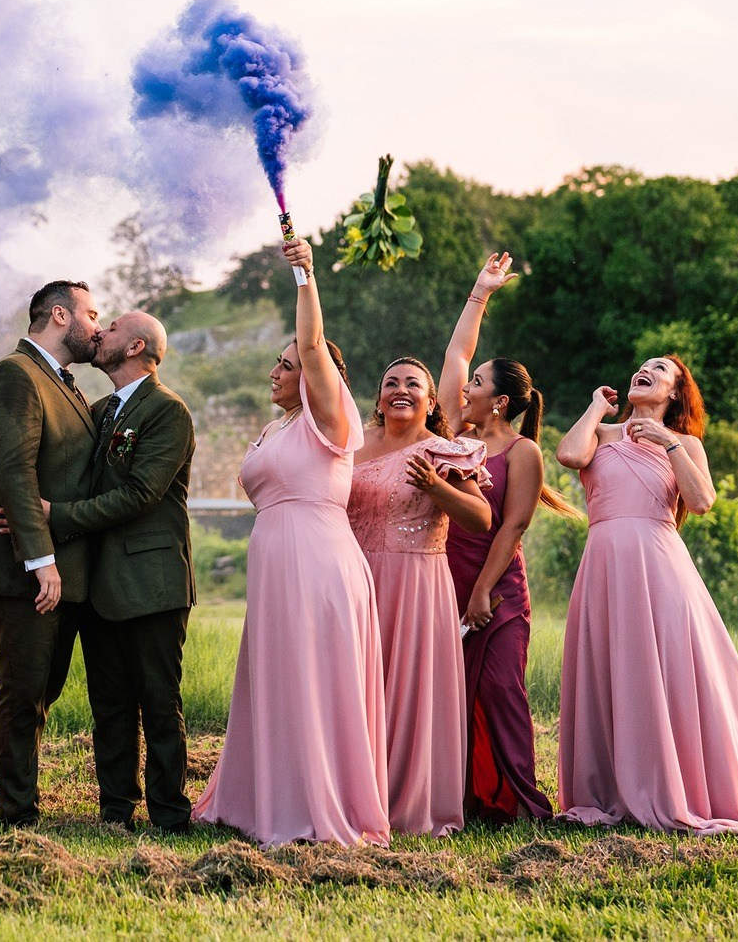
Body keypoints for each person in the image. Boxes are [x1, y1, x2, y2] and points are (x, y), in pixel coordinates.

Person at [554, 356, 738, 834]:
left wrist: (670, 443)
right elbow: (568, 456)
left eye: (658, 369)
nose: (643, 369)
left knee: (671, 672)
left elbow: (701, 502)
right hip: (602, 568)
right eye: (640, 365)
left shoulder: (688, 444)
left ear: (675, 393)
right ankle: (612, 790)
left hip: (660, 569)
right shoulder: (601, 435)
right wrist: (596, 408)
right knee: (611, 670)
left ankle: (680, 787)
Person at [192, 236, 390, 846]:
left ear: (314, 374)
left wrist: (306, 278)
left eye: (286, 363)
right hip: (275, 563)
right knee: (278, 675)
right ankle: (267, 796)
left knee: (314, 674)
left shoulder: (327, 421)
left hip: (317, 559)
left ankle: (317, 804)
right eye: (278, 363)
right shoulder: (275, 427)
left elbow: (310, 343)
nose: (276, 370)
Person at [2, 311, 198, 834]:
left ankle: (171, 814)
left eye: (109, 327)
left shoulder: (167, 411)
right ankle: (116, 809)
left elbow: (139, 494)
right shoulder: (99, 410)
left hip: (152, 582)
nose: (99, 333)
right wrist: (14, 508)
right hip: (100, 585)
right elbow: (66, 476)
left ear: (134, 346)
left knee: (159, 700)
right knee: (109, 703)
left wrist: (52, 515)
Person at [436, 251, 582, 822]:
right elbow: (456, 353)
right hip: (442, 579)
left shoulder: (523, 452)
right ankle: (463, 798)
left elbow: (514, 526)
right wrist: (481, 292)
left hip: (498, 591)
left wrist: (481, 592)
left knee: (499, 691)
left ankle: (521, 800)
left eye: (477, 384)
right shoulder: (451, 432)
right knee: (451, 697)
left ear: (498, 401)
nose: (466, 386)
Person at [0, 279, 102, 827]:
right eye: (92, 313)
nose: (98, 325)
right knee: (22, 693)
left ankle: (21, 803)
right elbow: (13, 469)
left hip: (54, 568)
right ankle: (16, 816)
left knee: (40, 691)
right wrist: (40, 561)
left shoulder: (62, 382)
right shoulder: (15, 376)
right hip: (20, 571)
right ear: (60, 316)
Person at [347, 357, 492, 837]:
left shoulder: (445, 451)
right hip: (353, 578)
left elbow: (479, 518)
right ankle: (349, 791)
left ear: (432, 402)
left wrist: (436, 488)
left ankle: (402, 799)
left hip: (414, 585)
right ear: (379, 397)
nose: (400, 389)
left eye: (413, 384)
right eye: (390, 382)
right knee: (351, 687)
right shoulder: (351, 445)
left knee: (404, 690)